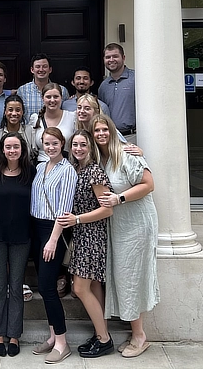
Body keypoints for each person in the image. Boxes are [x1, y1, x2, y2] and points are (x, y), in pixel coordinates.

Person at [92, 114, 159, 359]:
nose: (100, 134)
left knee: (132, 277)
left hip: (137, 224)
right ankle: (134, 333)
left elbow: (148, 184)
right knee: (122, 277)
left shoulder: (127, 154)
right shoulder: (103, 159)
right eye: (96, 131)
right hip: (119, 225)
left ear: (112, 131)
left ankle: (140, 336)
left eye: (104, 130)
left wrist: (119, 198)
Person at [57, 130, 114, 358]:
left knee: (80, 288)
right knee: (93, 287)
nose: (79, 148)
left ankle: (104, 339)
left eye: (83, 144)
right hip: (81, 235)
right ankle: (101, 332)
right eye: (75, 145)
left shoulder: (94, 172)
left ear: (90, 147)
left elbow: (107, 209)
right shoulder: (77, 170)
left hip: (92, 235)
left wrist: (77, 219)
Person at [0, 132, 36, 358]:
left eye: (16, 146)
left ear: (22, 149)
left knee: (16, 285)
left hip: (22, 236)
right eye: (8, 147)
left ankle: (14, 334)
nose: (12, 150)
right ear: (2, 149)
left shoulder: (31, 172)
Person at [31, 127, 77, 364]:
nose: (50, 147)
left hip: (53, 231)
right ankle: (52, 336)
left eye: (55, 144)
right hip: (37, 229)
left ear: (62, 144)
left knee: (49, 287)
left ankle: (62, 342)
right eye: (47, 144)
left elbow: (64, 210)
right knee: (43, 286)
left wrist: (52, 239)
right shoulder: (40, 167)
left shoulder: (67, 171)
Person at [76, 94, 143, 156]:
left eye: (87, 108)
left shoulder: (106, 129)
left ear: (96, 111)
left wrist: (139, 153)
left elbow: (124, 146)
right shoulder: (78, 130)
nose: (81, 111)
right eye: (79, 107)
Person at [97, 43, 136, 141]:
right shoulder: (103, 86)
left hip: (132, 136)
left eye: (115, 56)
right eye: (108, 57)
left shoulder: (136, 79)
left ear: (123, 58)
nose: (111, 60)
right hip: (110, 138)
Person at [30, 83, 76, 163]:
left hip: (65, 165)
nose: (52, 100)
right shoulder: (35, 119)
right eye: (48, 97)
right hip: (41, 167)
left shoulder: (72, 117)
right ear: (42, 98)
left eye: (56, 97)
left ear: (61, 97)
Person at [17, 53, 69, 122]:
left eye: (44, 66)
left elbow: (66, 115)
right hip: (30, 131)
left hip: (54, 131)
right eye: (38, 67)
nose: (41, 70)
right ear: (32, 70)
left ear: (50, 69)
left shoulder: (62, 90)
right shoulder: (22, 91)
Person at [0, 94, 36, 163]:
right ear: (5, 112)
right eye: (10, 110)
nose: (14, 113)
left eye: (18, 110)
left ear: (22, 112)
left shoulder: (30, 131)